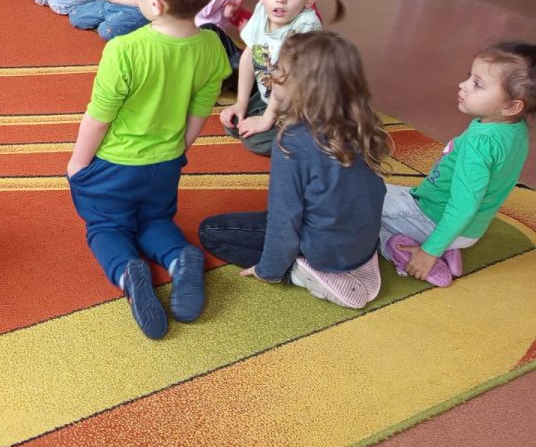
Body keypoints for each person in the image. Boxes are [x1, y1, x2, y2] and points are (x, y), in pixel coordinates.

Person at [66, 0, 231, 339]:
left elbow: (98, 118)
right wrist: (179, 149)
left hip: (115, 165)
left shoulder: (125, 49)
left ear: (154, 3)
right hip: (165, 164)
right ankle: (179, 258)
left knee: (106, 228)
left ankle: (128, 270)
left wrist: (78, 164)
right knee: (154, 219)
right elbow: (200, 111)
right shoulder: (212, 47)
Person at [199, 31, 391, 310]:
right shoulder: (362, 124)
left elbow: (284, 219)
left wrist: (268, 271)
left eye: (279, 68)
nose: (272, 71)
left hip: (322, 251)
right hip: (362, 245)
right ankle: (346, 262)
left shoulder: (293, 141)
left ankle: (301, 273)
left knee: (211, 231)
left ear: (300, 87)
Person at [380, 41, 534, 287]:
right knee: (377, 190)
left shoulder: (480, 143)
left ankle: (406, 250)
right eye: (469, 76)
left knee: (355, 202)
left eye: (477, 84)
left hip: (431, 218)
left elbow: (465, 203)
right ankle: (448, 246)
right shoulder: (516, 129)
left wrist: (430, 251)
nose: (463, 85)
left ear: (511, 106)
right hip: (468, 228)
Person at [219, 0, 325, 156]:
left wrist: (267, 119)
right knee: (234, 123)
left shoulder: (306, 25)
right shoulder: (261, 11)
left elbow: (285, 78)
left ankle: (316, 139)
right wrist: (241, 103)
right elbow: (250, 55)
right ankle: (268, 120)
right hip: (270, 94)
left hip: (299, 107)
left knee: (255, 142)